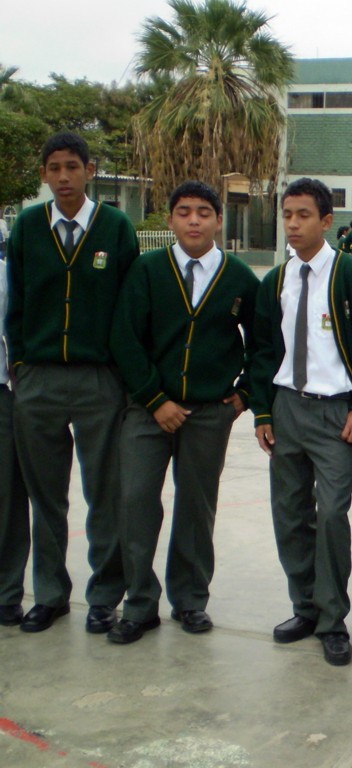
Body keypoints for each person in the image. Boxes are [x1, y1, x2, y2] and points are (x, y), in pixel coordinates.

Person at [106, 181, 258, 644]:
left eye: (204, 212)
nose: (194, 220)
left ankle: (190, 599)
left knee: (196, 507)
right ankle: (139, 603)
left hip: (210, 414)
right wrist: (155, 400)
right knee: (135, 502)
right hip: (148, 411)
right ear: (171, 219)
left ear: (218, 221)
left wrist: (244, 395)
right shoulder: (148, 270)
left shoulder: (238, 277)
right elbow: (125, 338)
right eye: (184, 211)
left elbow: (266, 344)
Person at [6, 131, 139, 634]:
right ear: (44, 173)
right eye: (54, 168)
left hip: (98, 380)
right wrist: (21, 364)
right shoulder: (28, 226)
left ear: (89, 170)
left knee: (105, 492)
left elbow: (128, 308)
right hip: (38, 380)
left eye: (72, 167)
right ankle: (50, 594)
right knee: (45, 496)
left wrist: (120, 375)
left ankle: (105, 595)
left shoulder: (115, 227)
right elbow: (17, 303)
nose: (63, 177)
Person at [249, 178, 352, 667]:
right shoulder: (276, 281)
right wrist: (263, 411)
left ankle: (332, 619)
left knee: (330, 515)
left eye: (303, 215)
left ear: (326, 221)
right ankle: (304, 607)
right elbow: (262, 350)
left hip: (336, 413)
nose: (293, 224)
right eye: (287, 215)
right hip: (288, 406)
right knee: (289, 513)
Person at [0, 251, 29, 626]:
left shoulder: (6, 273)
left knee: (7, 496)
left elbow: (17, 326)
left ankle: (6, 591)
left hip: (2, 392)